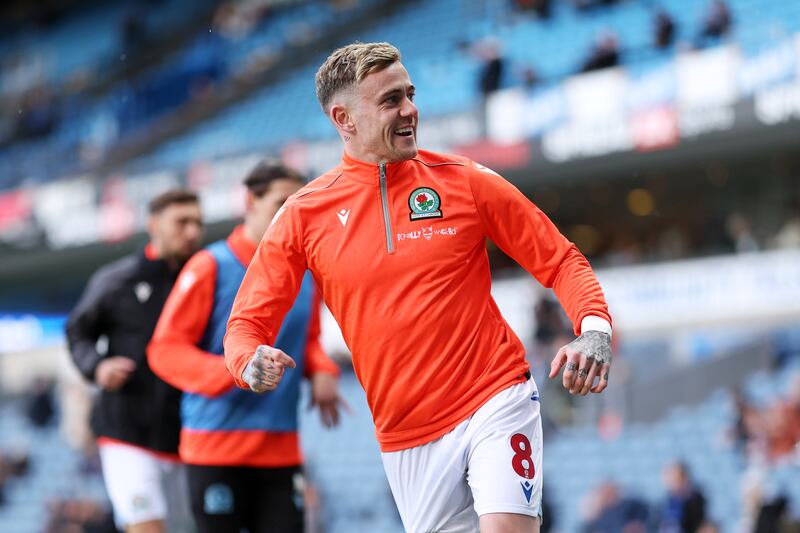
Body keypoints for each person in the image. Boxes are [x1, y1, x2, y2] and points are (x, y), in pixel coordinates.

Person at [224, 42, 613, 533]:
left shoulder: (465, 181)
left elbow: (560, 259)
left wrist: (594, 327)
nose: (410, 110)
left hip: (495, 396)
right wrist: (247, 362)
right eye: (391, 100)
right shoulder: (303, 215)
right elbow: (245, 324)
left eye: (410, 94)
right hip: (405, 437)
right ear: (344, 118)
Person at [147, 161, 344, 533]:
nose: (292, 215)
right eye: (281, 203)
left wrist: (322, 371)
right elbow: (165, 350)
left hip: (281, 446)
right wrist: (238, 369)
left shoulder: (306, 272)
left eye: (299, 205)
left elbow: (309, 340)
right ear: (250, 201)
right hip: (215, 446)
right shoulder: (209, 266)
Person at [66, 189, 203, 533]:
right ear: (153, 224)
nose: (192, 232)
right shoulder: (117, 280)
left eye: (197, 223)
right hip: (126, 432)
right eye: (182, 222)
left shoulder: (205, 279)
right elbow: (77, 332)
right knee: (147, 527)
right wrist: (97, 367)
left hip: (187, 434)